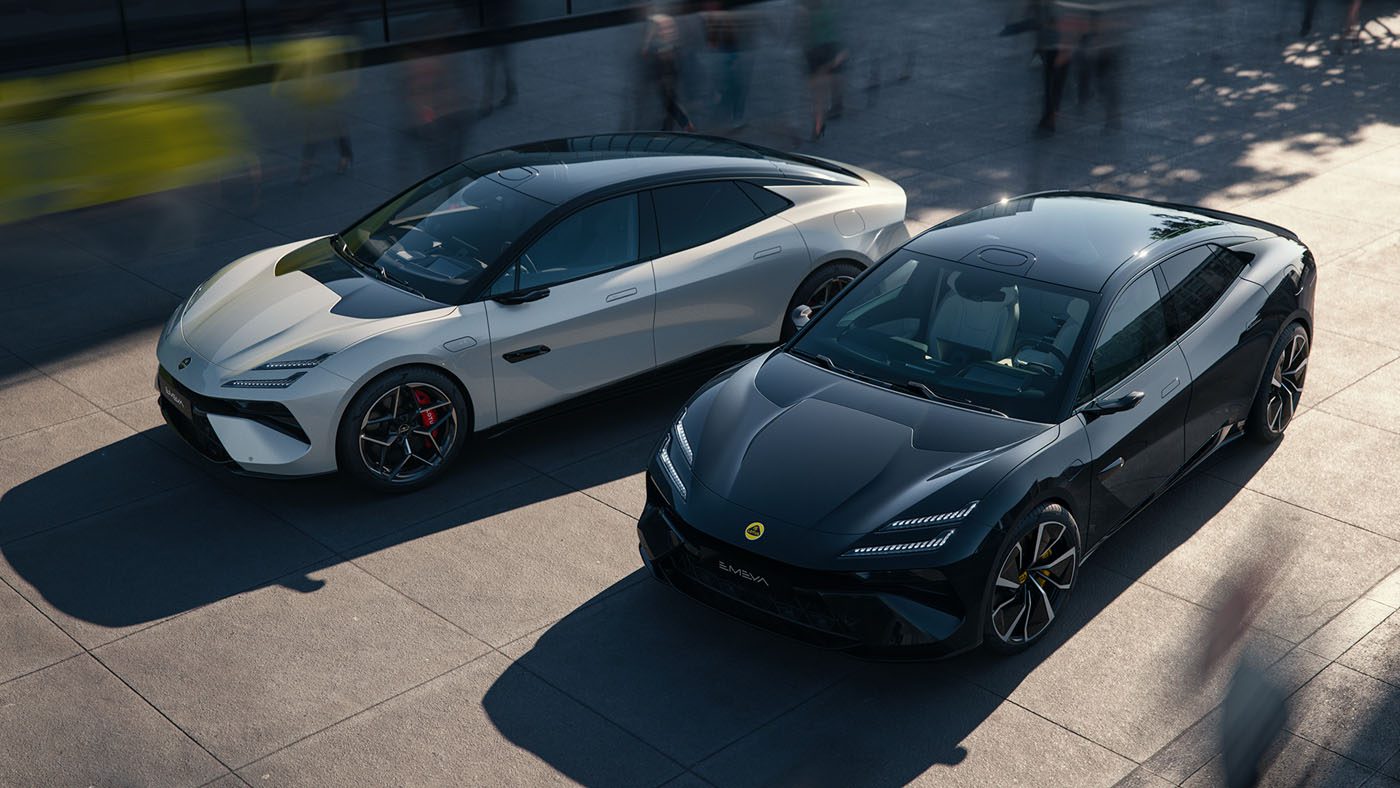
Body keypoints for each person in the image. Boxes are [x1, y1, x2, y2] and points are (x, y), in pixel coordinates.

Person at [801, 0, 847, 141]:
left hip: (815, 51)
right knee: (836, 77)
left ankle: (818, 126)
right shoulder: (830, 6)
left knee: (818, 94)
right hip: (832, 47)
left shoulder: (805, 10)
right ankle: (837, 103)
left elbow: (802, 30)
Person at [643, 13, 695, 132]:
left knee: (669, 102)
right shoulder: (663, 25)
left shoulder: (658, 26)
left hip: (666, 75)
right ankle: (668, 129)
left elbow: (661, 55)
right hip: (669, 73)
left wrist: (647, 45)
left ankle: (685, 124)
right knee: (669, 102)